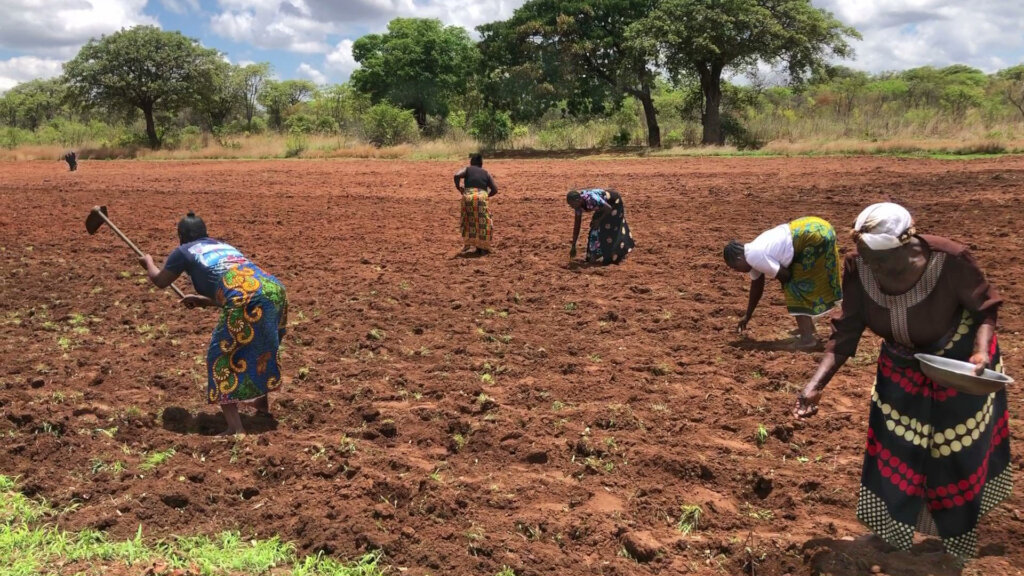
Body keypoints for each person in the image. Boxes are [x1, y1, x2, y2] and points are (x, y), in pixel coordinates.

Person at [794, 203, 1010, 562]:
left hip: (960, 366)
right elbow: (846, 332)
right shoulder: (858, 266)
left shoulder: (950, 260)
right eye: (866, 258)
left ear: (908, 246)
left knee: (954, 454)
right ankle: (890, 535)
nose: (873, 268)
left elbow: (985, 309)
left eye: (880, 260)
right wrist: (814, 386)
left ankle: (952, 545)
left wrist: (981, 351)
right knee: (895, 450)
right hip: (901, 367)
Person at [139, 212, 288, 435]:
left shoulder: (183, 251)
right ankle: (261, 406)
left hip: (245, 296)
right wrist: (205, 301)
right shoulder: (222, 246)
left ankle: (235, 428)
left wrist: (148, 262)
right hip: (274, 290)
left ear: (181, 235)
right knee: (263, 346)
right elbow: (242, 286)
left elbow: (160, 281)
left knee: (219, 356)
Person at [724, 216, 842, 348]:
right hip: (820, 227)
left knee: (793, 288)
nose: (737, 271)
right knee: (794, 284)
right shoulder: (752, 251)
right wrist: (747, 315)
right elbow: (757, 287)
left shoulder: (754, 256)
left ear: (740, 258)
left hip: (811, 237)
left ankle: (807, 338)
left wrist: (787, 289)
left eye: (735, 267)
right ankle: (808, 328)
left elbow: (785, 276)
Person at [566, 188, 634, 265]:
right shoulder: (578, 207)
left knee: (608, 228)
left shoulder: (591, 199)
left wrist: (599, 221)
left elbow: (608, 208)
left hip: (613, 203)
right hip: (602, 208)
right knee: (594, 229)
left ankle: (614, 253)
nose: (571, 207)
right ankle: (594, 255)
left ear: (578, 200)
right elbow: (577, 226)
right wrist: (573, 245)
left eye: (572, 204)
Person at [453, 153, 498, 255]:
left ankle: (470, 244)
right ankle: (483, 247)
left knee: (469, 221)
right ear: (481, 164)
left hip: (468, 197)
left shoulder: (467, 169)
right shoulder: (486, 173)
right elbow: (495, 189)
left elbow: (456, 175)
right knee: (484, 222)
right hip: (481, 197)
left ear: (471, 162)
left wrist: (459, 188)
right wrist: (485, 196)